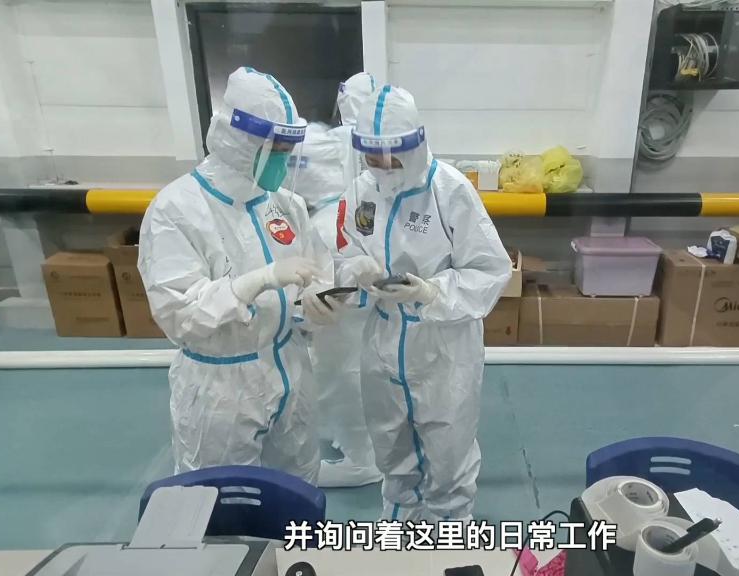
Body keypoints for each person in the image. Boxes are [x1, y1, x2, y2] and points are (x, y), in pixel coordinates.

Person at [138, 67, 339, 483]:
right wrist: (257, 281)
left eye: (288, 149)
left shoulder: (284, 203)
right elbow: (178, 313)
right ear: (241, 142)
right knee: (223, 497)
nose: (283, 159)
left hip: (289, 366)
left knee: (298, 486)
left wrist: (318, 299)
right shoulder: (176, 209)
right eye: (276, 149)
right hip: (222, 385)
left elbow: (316, 267)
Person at [336, 85, 511, 520]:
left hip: (442, 346)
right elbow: (343, 251)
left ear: (414, 145)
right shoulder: (361, 191)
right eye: (372, 157)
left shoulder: (449, 191)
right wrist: (355, 270)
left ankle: (448, 537)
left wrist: (431, 292)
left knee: (447, 455)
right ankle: (399, 533)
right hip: (382, 339)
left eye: (391, 157)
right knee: (391, 449)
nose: (382, 167)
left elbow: (491, 270)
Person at [295, 72, 384, 487]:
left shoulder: (327, 144)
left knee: (344, 368)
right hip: (352, 248)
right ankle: (352, 439)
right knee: (341, 365)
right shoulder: (344, 145)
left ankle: (362, 458)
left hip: (343, 248)